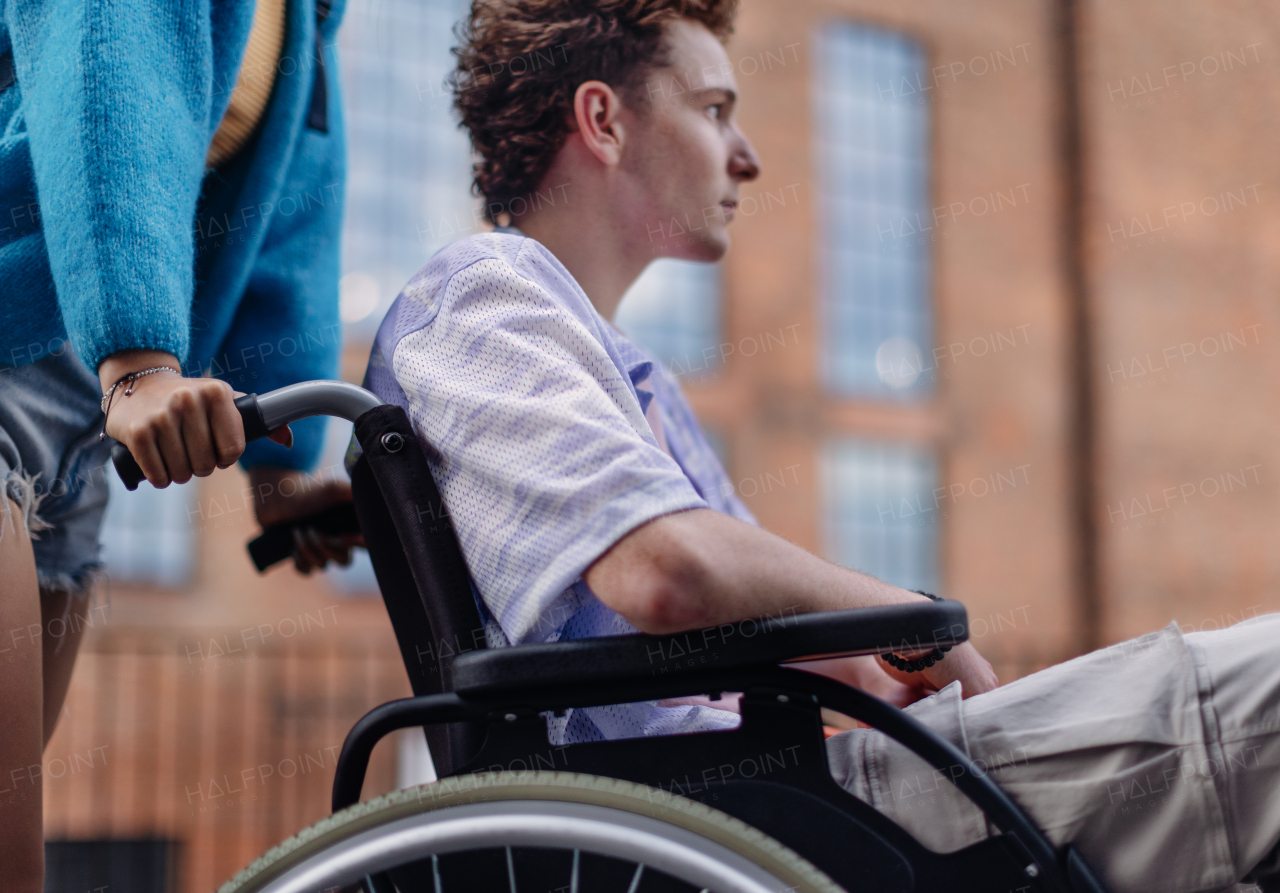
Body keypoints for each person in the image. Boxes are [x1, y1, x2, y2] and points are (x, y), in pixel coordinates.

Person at [358, 0, 1280, 889]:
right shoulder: (483, 295)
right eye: (715, 111)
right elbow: (664, 572)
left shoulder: (625, 372)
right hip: (735, 814)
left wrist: (878, 661)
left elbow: (764, 626)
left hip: (771, 789)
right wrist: (907, 612)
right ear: (602, 119)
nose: (747, 157)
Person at [0, 1, 356, 887]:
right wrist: (140, 359)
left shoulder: (306, 18)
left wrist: (283, 471)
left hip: (81, 423)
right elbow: (106, 70)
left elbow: (288, 212)